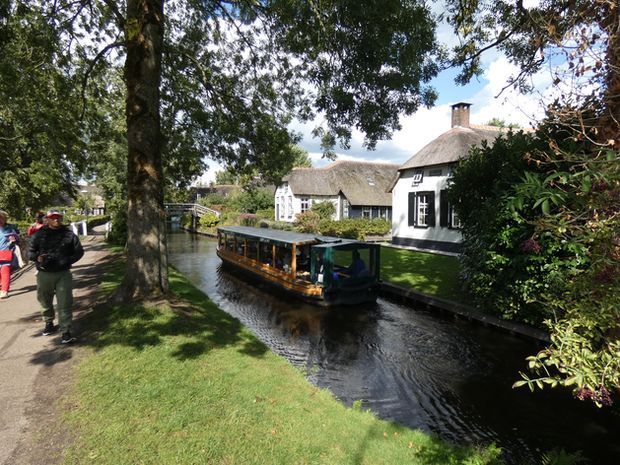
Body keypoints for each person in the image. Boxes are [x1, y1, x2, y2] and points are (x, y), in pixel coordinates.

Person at [28, 209, 84, 343]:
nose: (56, 220)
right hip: (44, 273)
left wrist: (68, 260)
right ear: (47, 219)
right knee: (45, 300)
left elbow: (79, 252)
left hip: (63, 274)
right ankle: (48, 323)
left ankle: (65, 332)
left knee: (65, 302)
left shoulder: (69, 235)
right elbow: (30, 253)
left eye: (58, 218)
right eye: (53, 218)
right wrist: (37, 258)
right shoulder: (38, 235)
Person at [0, 210, 19, 299]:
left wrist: (14, 239)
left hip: (5, 253)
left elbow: (17, 238)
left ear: (4, 219)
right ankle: (2, 286)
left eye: (1, 218)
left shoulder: (9, 229)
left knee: (5, 272)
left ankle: (4, 290)